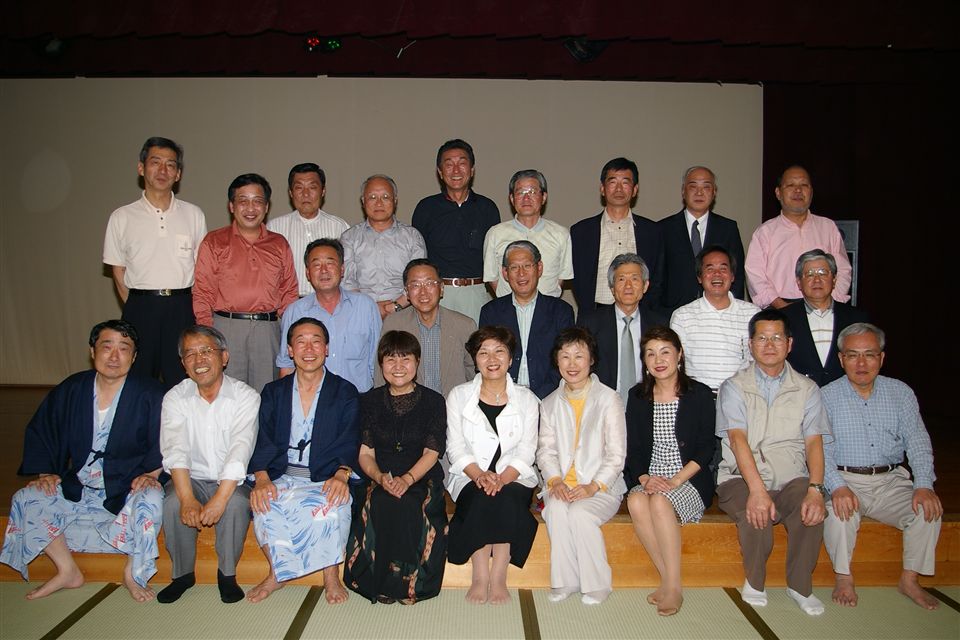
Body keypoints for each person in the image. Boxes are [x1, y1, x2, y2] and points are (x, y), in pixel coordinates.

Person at [0, 320, 165, 602]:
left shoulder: (150, 393)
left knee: (151, 498)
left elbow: (167, 440)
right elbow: (44, 429)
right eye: (107, 347)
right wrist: (46, 473)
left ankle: (132, 572)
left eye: (124, 349)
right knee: (28, 498)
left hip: (125, 485)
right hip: (78, 483)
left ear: (134, 356)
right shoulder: (72, 389)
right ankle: (67, 570)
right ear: (92, 351)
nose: (114, 356)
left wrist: (152, 472)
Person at [715, 309, 832, 615]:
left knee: (811, 508)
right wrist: (757, 490)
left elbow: (814, 442)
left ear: (789, 344)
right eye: (762, 338)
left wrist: (816, 489)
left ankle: (800, 586)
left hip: (790, 476)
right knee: (755, 511)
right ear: (750, 344)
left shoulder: (807, 389)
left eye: (777, 338)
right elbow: (737, 440)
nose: (769, 345)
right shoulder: (734, 386)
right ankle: (755, 582)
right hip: (740, 477)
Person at [821, 323, 942, 610]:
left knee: (928, 510)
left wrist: (924, 484)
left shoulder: (901, 393)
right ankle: (844, 578)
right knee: (838, 514)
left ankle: (909, 579)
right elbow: (820, 449)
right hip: (846, 478)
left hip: (891, 481)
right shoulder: (826, 396)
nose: (861, 363)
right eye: (853, 355)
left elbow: (918, 441)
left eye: (869, 354)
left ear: (882, 357)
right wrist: (837, 487)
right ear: (841, 359)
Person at [246, 317, 360, 605]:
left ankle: (331, 575)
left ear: (326, 348)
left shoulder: (344, 391)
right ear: (290, 350)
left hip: (326, 474)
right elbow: (263, 438)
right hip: (282, 474)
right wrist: (261, 478)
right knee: (264, 505)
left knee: (333, 506)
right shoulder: (274, 392)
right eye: (301, 342)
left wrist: (342, 473)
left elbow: (350, 437)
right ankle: (277, 573)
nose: (309, 349)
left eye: (316, 342)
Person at [344, 331, 448, 604]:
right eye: (391, 359)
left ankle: (410, 583)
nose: (398, 366)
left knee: (410, 503)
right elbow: (365, 453)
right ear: (381, 364)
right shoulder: (368, 401)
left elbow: (432, 452)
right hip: (380, 476)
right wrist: (380, 477)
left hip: (422, 477)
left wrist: (408, 479)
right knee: (380, 501)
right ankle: (381, 582)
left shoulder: (434, 401)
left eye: (406, 359)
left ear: (417, 362)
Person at [157, 325, 259, 604]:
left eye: (206, 351)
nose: (199, 360)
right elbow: (175, 449)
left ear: (224, 357)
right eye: (190, 354)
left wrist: (220, 499)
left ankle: (227, 574)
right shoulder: (175, 397)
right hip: (191, 478)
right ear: (183, 363)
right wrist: (187, 498)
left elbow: (240, 450)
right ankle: (182, 575)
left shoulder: (246, 396)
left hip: (232, 480)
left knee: (235, 504)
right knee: (172, 503)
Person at [624, 326, 716, 616]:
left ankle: (673, 586)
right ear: (644, 360)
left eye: (665, 352)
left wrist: (675, 481)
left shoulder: (699, 394)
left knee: (660, 502)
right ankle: (667, 578)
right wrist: (644, 478)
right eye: (650, 354)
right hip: (651, 475)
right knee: (636, 500)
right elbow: (633, 448)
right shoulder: (637, 396)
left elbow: (706, 448)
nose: (658, 359)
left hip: (688, 477)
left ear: (679, 354)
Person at [446, 326, 540, 605]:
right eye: (483, 352)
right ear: (475, 360)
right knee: (480, 496)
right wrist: (479, 475)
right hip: (470, 475)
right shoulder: (459, 395)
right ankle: (480, 576)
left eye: (499, 351)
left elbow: (527, 450)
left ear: (510, 359)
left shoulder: (527, 398)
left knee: (505, 497)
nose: (492, 359)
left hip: (514, 476)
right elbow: (455, 447)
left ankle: (498, 576)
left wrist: (502, 478)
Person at [103, 137, 207, 387]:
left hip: (182, 307)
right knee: (138, 382)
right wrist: (138, 305)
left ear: (178, 173)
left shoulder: (193, 214)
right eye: (155, 162)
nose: (163, 170)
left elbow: (201, 268)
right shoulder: (122, 217)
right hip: (140, 308)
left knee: (183, 381)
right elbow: (118, 271)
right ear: (141, 168)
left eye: (170, 165)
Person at [537, 327, 626, 605]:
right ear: (556, 361)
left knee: (580, 514)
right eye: (565, 356)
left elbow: (616, 454)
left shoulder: (608, 398)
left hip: (601, 487)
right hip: (563, 485)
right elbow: (545, 451)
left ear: (592, 360)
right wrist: (555, 481)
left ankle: (598, 584)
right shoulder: (549, 403)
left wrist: (593, 486)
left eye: (579, 356)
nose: (572, 363)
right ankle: (566, 581)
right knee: (555, 509)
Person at [193, 173, 299, 392]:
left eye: (257, 201)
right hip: (226, 328)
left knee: (266, 395)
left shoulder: (279, 244)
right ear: (232, 206)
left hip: (267, 330)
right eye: (243, 201)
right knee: (227, 396)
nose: (251, 208)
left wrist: (289, 334)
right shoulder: (214, 241)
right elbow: (203, 292)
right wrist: (207, 337)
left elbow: (289, 292)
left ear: (266, 207)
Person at [412, 139, 501, 323]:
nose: (456, 170)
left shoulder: (487, 208)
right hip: (438, 294)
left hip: (476, 293)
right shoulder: (426, 208)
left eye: (462, 163)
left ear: (472, 170)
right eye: (449, 164)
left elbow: (496, 259)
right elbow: (418, 259)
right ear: (440, 172)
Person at [277, 239, 382, 392]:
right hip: (311, 399)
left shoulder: (366, 307)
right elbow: (286, 365)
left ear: (342, 269)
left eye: (330, 263)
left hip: (359, 398)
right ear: (307, 273)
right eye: (316, 265)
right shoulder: (295, 312)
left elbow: (378, 362)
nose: (324, 270)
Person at [745, 165, 852, 309]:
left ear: (811, 192)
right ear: (778, 193)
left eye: (804, 185)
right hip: (779, 309)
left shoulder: (828, 227)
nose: (798, 190)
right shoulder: (765, 232)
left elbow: (843, 271)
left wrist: (830, 304)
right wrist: (781, 306)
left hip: (824, 307)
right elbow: (755, 275)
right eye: (790, 185)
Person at [479, 241, 575, 399]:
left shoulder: (561, 311)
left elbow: (566, 361)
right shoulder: (491, 312)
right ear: (505, 273)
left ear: (539, 268)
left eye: (527, 266)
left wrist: (536, 398)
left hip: (549, 398)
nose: (521, 274)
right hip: (502, 397)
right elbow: (486, 361)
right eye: (514, 267)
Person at [570, 157, 664, 312]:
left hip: (639, 315)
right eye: (613, 182)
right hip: (595, 314)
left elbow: (657, 279)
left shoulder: (652, 231)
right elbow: (578, 280)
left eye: (625, 182)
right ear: (602, 188)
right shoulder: (581, 232)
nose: (619, 189)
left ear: (635, 190)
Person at [375, 259, 476, 396]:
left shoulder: (464, 325)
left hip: (453, 405)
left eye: (429, 283)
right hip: (408, 405)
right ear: (407, 292)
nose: (423, 292)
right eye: (415, 285)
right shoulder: (394, 324)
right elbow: (381, 372)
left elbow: (473, 375)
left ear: (441, 288)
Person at [577, 253, 667, 404]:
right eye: (621, 279)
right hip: (602, 404)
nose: (628, 286)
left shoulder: (659, 324)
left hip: (649, 402)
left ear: (645, 286)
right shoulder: (590, 324)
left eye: (635, 279)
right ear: (612, 288)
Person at [670, 246, 760, 393]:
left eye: (723, 269)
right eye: (710, 269)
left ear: (732, 276)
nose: (717, 274)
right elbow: (676, 363)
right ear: (699, 277)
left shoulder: (752, 314)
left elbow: (759, 360)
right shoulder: (682, 316)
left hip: (741, 396)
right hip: (697, 397)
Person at [657, 166, 746, 314]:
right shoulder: (663, 228)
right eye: (693, 187)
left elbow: (737, 275)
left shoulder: (728, 228)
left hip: (718, 312)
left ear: (714, 192)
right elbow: (657, 278)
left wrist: (731, 312)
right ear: (683, 191)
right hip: (672, 313)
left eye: (706, 187)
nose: (699, 192)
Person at [342, 174, 427, 319]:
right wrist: (370, 308)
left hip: (404, 313)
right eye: (372, 197)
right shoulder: (349, 238)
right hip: (360, 313)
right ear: (363, 201)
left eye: (385, 197)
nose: (379, 203)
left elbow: (419, 280)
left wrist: (394, 306)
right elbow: (347, 281)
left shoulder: (412, 237)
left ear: (395, 201)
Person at [782, 249, 869, 386]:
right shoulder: (782, 319)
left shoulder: (857, 318)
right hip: (797, 394)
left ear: (834, 280)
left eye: (823, 273)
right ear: (799, 282)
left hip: (845, 393)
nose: (817, 280)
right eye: (810, 274)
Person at [482, 170, 573, 298]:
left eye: (532, 192)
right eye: (520, 192)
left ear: (544, 197)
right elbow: (492, 277)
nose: (526, 198)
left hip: (548, 307)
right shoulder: (495, 234)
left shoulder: (561, 234)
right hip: (507, 308)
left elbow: (562, 277)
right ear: (512, 198)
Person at [267, 162, 350, 297]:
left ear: (323, 191)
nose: (305, 194)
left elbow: (348, 273)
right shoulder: (274, 228)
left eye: (312, 187)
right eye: (299, 188)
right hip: (290, 303)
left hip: (330, 301)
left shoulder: (340, 226)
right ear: (291, 193)